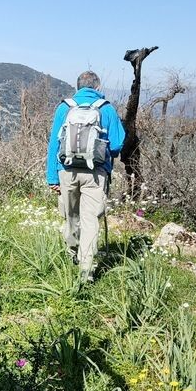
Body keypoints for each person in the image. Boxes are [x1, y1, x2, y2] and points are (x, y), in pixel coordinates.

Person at [45, 71, 126, 282]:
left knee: (71, 217)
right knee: (90, 220)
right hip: (96, 173)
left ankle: (72, 253)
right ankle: (86, 270)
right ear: (97, 87)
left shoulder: (65, 107)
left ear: (78, 87)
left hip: (67, 170)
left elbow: (54, 143)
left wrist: (52, 178)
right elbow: (117, 144)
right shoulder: (106, 108)